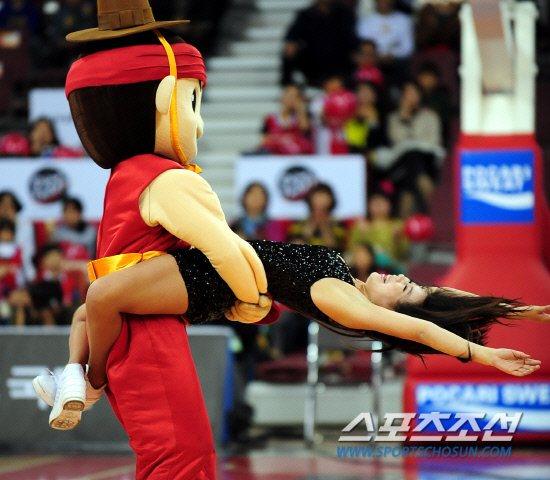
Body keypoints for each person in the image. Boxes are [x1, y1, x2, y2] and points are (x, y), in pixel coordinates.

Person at [34, 238, 549, 427]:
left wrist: (481, 357)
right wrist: (525, 311)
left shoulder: (345, 303)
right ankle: (74, 381)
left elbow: (420, 326)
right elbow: (440, 299)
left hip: (204, 282)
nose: (400, 278)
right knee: (87, 315)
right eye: (408, 280)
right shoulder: (350, 280)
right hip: (210, 273)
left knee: (100, 297)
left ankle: (90, 383)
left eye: (403, 288)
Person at [281, 0, 357, 87]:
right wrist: (292, 44)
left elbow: (351, 39)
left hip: (339, 60)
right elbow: (292, 36)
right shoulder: (305, 14)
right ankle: (288, 84)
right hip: (313, 62)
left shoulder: (344, 13)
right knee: (290, 49)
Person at [355, 0, 413, 89]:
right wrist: (375, 56)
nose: (384, 2)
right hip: (371, 61)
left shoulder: (404, 20)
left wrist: (392, 54)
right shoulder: (365, 22)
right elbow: (361, 47)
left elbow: (408, 48)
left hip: (395, 63)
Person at [288, 183, 347, 252]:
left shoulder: (337, 224)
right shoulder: (299, 222)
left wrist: (323, 225)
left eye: (323, 195)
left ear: (331, 199)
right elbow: (296, 243)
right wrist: (312, 222)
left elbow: (334, 246)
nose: (320, 199)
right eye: (317, 195)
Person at [257, 84, 313, 155]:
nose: (291, 99)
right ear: (282, 98)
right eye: (289, 96)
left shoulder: (305, 117)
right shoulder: (270, 118)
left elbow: (307, 134)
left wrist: (301, 111)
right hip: (277, 157)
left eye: (295, 97)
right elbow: (265, 141)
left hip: (299, 156)